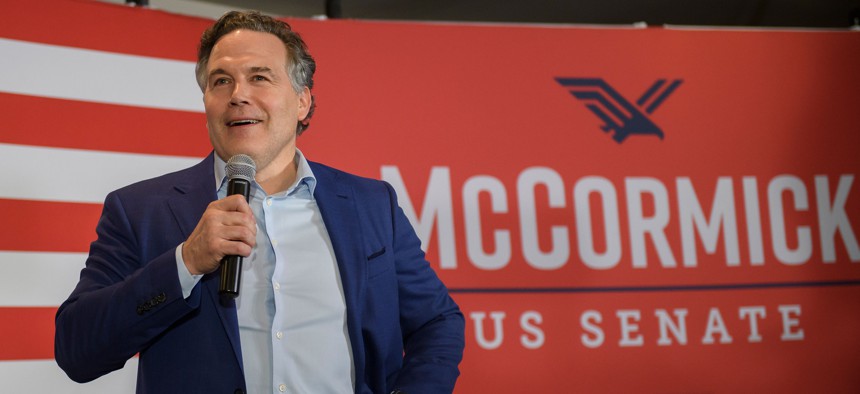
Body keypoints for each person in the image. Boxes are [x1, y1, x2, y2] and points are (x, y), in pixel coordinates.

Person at [54, 10, 465, 394]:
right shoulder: (140, 211)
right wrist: (185, 263)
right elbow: (78, 351)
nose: (238, 95)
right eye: (220, 81)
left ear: (302, 100)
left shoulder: (372, 204)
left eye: (260, 77)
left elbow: (437, 321)